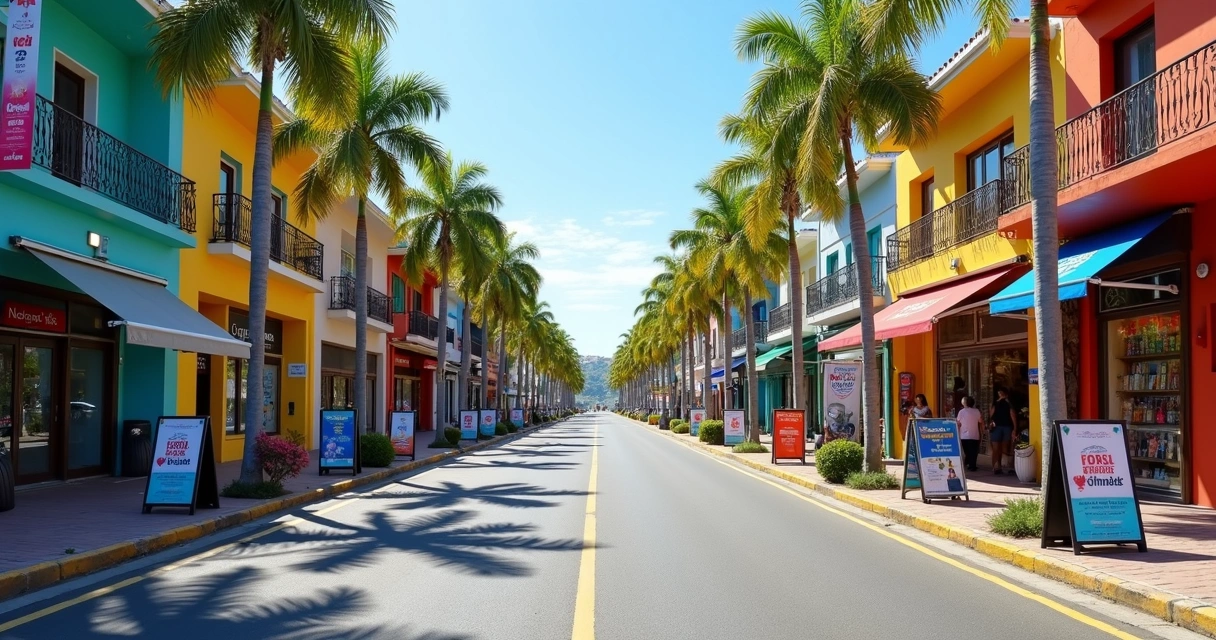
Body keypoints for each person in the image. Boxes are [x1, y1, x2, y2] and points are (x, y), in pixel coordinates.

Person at [989, 387, 1018, 475]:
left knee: (1001, 448)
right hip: (1002, 427)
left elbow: (1012, 414)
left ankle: (997, 467)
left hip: (1004, 427)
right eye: (999, 394)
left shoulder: (1008, 403)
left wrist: (1015, 428)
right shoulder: (997, 403)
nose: (1000, 395)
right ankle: (997, 466)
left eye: (1001, 393)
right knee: (998, 448)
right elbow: (991, 414)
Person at [956, 396, 983, 472]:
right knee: (974, 451)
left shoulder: (961, 412)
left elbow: (958, 422)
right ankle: (972, 465)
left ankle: (969, 464)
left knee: (967, 451)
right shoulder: (976, 411)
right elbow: (980, 421)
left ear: (964, 403)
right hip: (974, 434)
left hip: (964, 435)